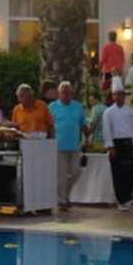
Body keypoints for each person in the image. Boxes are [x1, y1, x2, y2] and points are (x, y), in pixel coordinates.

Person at [102, 77, 133, 210]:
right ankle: (121, 200)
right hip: (115, 144)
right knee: (118, 173)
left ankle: (129, 197)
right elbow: (107, 130)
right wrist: (110, 147)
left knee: (129, 172)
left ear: (124, 96)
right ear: (113, 96)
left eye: (120, 94)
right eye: (115, 94)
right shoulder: (108, 112)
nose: (118, 97)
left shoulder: (130, 111)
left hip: (128, 143)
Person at [49, 80, 87, 210]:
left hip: (75, 146)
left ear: (72, 93)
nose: (66, 95)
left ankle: (64, 195)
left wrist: (87, 135)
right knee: (61, 177)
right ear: (59, 93)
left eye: (68, 92)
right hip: (58, 146)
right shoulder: (52, 107)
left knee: (76, 172)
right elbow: (49, 126)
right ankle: (62, 200)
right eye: (63, 92)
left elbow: (83, 124)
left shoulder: (78, 106)